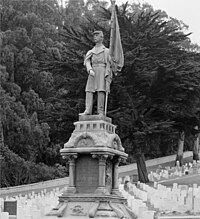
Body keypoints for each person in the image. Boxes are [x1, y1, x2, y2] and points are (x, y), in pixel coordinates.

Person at [79, 30, 112, 116]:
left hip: (102, 70)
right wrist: (89, 69)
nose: (95, 37)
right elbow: (86, 61)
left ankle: (100, 111)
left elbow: (110, 64)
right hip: (93, 71)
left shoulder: (106, 51)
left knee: (101, 90)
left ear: (101, 37)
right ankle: (87, 110)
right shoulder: (91, 51)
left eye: (97, 35)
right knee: (89, 90)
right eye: (94, 35)